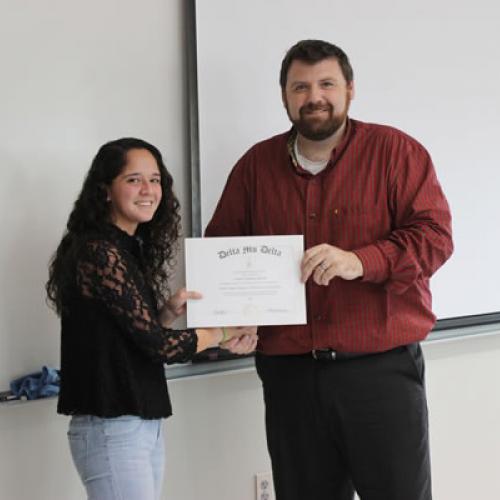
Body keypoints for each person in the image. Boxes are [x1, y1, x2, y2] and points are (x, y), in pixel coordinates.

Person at [205, 40, 453, 500]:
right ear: (284, 96)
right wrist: (234, 318)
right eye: (300, 86)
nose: (313, 96)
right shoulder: (255, 167)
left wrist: (360, 261)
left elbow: (435, 239)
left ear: (350, 90)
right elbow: (221, 250)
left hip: (381, 373)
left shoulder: (395, 152)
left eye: (326, 84)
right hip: (290, 378)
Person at [46, 137, 257, 500]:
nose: (149, 190)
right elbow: (159, 346)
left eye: (156, 179)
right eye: (134, 179)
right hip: (112, 426)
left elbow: (129, 336)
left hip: (135, 423)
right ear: (106, 190)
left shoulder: (125, 248)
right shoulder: (101, 252)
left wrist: (164, 313)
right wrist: (221, 332)